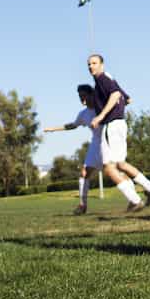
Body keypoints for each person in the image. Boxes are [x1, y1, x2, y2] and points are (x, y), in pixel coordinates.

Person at [87, 55, 150, 213]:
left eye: (94, 63)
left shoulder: (102, 79)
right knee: (119, 164)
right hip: (118, 124)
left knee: (109, 167)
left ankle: (135, 200)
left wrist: (100, 116)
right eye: (89, 64)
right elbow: (127, 99)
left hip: (112, 125)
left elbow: (115, 95)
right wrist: (120, 102)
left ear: (102, 65)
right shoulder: (109, 78)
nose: (91, 66)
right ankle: (149, 187)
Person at [43, 85, 105, 215]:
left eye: (84, 95)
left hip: (108, 141)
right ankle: (82, 205)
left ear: (91, 94)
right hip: (95, 144)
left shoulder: (102, 106)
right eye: (79, 96)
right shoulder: (83, 114)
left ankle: (139, 195)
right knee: (84, 173)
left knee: (117, 171)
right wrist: (54, 129)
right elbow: (72, 125)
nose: (82, 98)